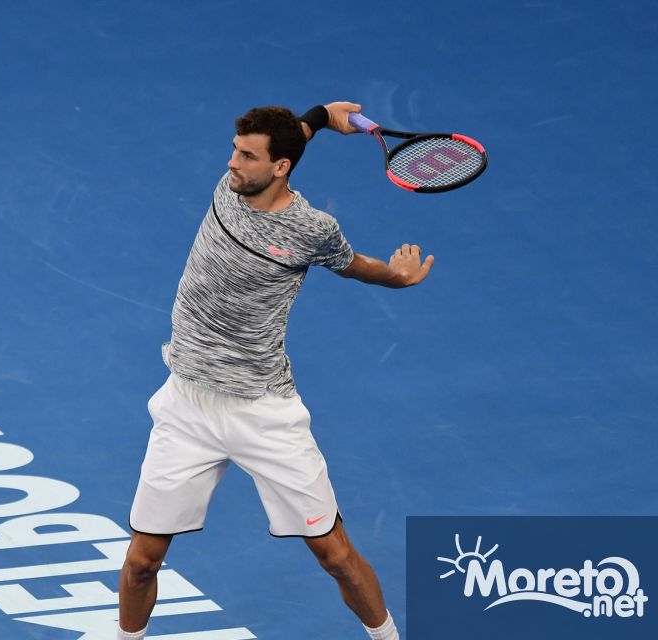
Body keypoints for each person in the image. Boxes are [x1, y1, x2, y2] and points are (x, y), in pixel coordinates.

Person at [117, 101, 430, 640]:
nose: (232, 163)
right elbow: (296, 133)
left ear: (280, 167)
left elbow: (353, 266)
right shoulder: (230, 188)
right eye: (234, 151)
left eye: (246, 155)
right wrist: (322, 115)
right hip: (186, 403)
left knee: (335, 555)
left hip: (263, 411)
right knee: (142, 560)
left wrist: (395, 277)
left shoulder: (313, 229)